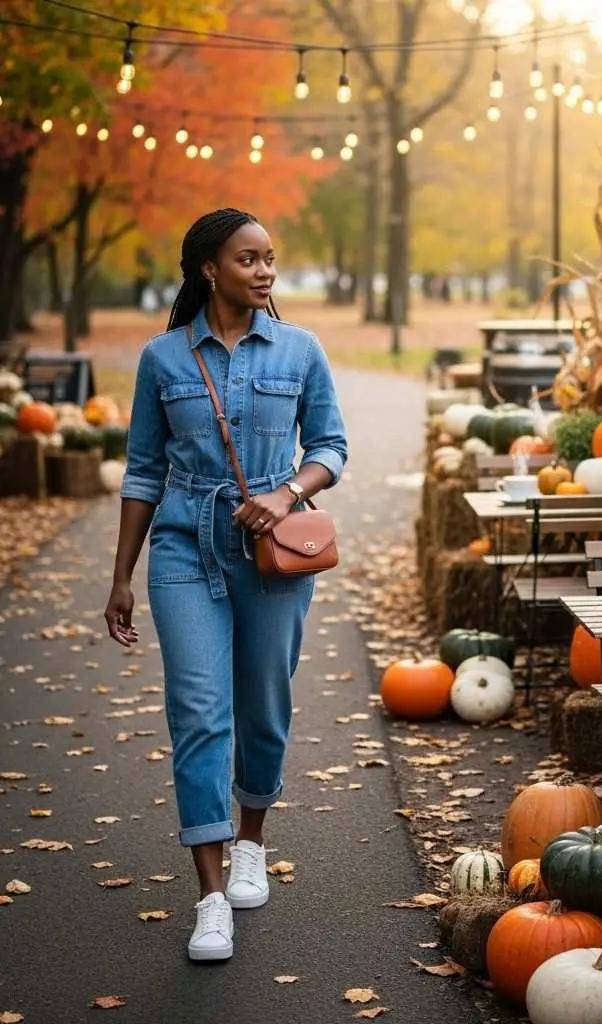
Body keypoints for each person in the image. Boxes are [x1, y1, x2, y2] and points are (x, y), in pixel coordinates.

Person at [104, 208, 347, 962]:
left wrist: (289, 494)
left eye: (270, 258)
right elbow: (144, 469)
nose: (264, 270)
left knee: (263, 708)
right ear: (210, 268)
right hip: (184, 547)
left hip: (272, 551)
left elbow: (332, 444)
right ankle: (210, 898)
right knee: (200, 712)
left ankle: (251, 840)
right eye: (249, 259)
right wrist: (121, 576)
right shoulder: (163, 359)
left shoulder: (301, 351)